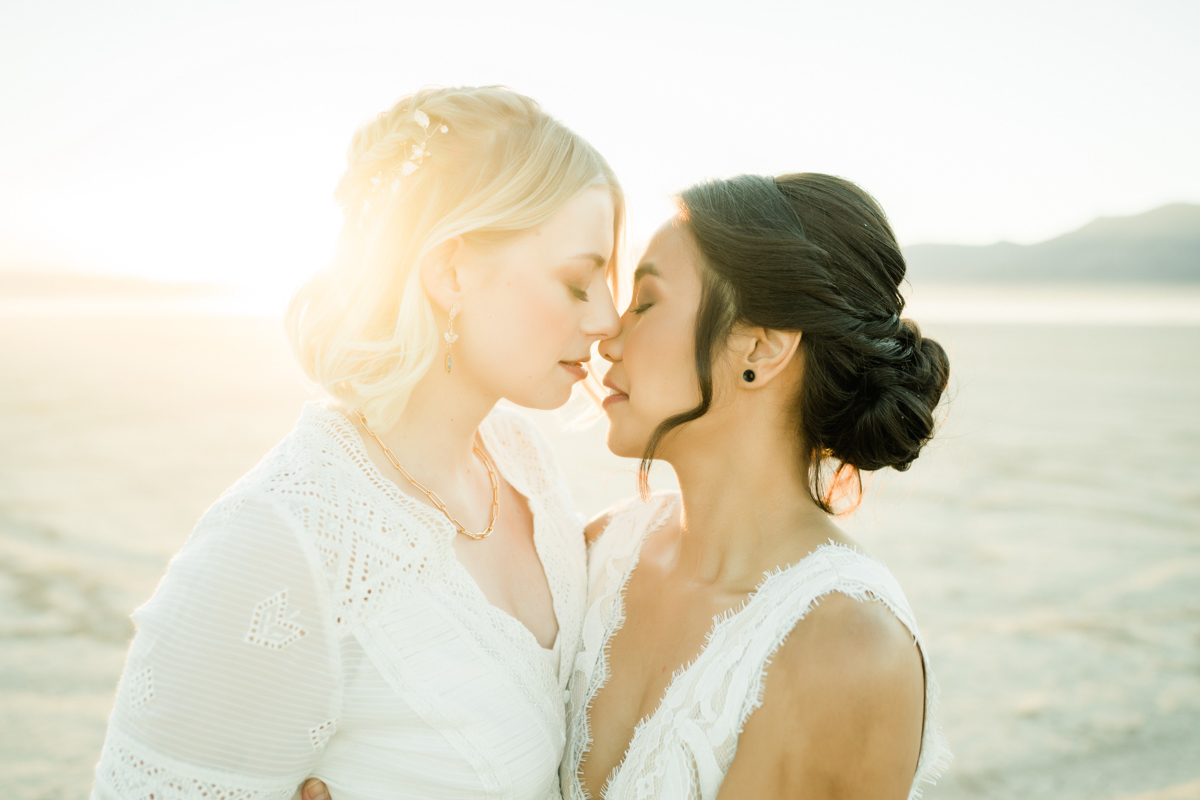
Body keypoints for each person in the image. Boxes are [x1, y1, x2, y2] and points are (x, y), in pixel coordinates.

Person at [91, 85, 623, 800]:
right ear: (451, 271)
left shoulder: (524, 463)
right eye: (578, 281)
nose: (608, 319)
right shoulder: (283, 544)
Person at [561, 173, 953, 799]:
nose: (609, 337)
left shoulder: (849, 648)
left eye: (647, 302)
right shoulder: (599, 551)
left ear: (760, 348)